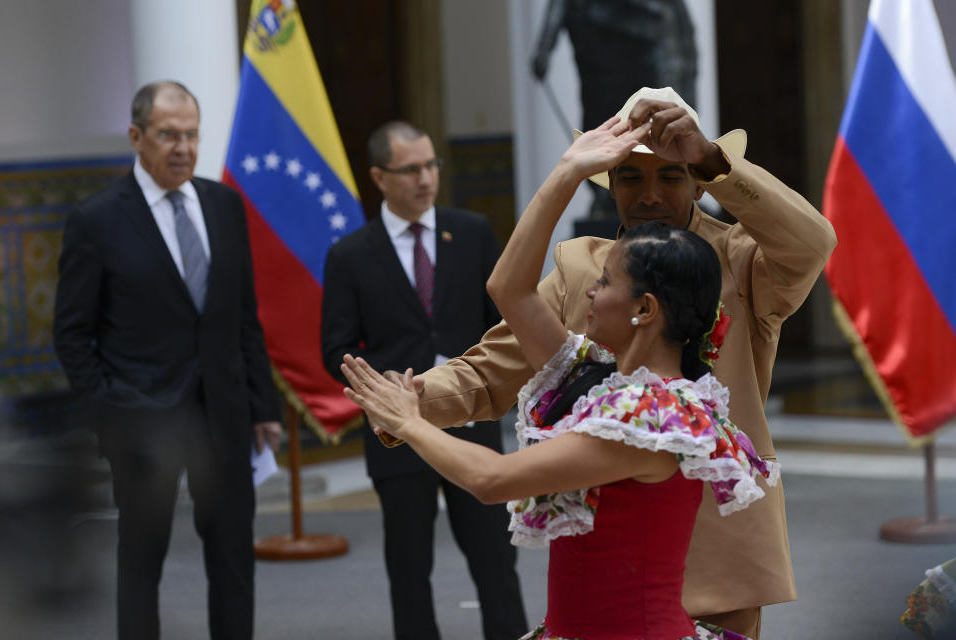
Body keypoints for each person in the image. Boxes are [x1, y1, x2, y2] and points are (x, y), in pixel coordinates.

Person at [399, 86, 838, 639]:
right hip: (608, 545)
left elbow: (813, 243)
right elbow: (491, 368)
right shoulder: (586, 271)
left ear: (696, 180)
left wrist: (710, 157)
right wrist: (407, 401)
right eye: (630, 177)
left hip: (719, 553)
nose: (650, 195)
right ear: (609, 184)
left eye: (672, 176)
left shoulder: (740, 257)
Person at [53, 81, 282, 640]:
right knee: (142, 561)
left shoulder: (224, 206)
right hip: (142, 422)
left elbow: (243, 318)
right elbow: (71, 332)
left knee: (233, 559)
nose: (182, 147)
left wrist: (262, 405)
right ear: (136, 137)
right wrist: (111, 413)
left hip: (224, 417)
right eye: (167, 135)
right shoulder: (97, 219)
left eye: (191, 135)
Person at [321, 121, 527, 640]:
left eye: (431, 165)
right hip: (396, 431)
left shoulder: (472, 231)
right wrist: (378, 385)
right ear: (378, 177)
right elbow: (335, 346)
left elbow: (503, 322)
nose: (425, 178)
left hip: (473, 420)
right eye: (410, 169)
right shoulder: (350, 254)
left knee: (495, 563)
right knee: (409, 570)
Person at [531, 0, 698, 219]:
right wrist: (544, 47)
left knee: (634, 120)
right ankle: (605, 191)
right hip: (595, 56)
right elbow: (558, 6)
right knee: (599, 119)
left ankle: (643, 182)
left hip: (631, 48)